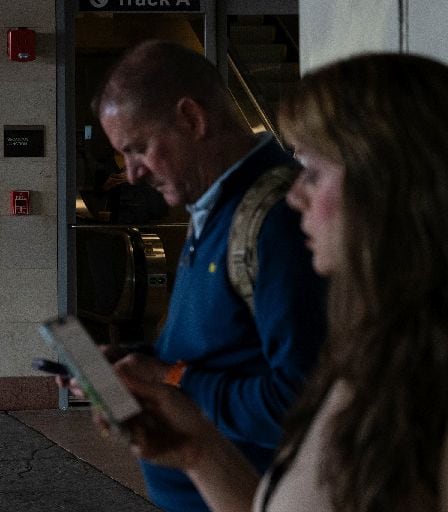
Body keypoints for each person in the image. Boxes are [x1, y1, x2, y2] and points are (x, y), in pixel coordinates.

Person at [117, 52, 448, 512]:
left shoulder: (420, 379)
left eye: (313, 172)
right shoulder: (375, 353)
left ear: (388, 182)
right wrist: (197, 452)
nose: (294, 195)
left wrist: (180, 383)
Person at [92, 40, 326, 511]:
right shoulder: (212, 207)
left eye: (137, 149)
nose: (132, 174)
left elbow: (302, 403)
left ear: (191, 119)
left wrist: (172, 378)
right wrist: (137, 365)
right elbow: (226, 346)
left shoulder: (276, 219)